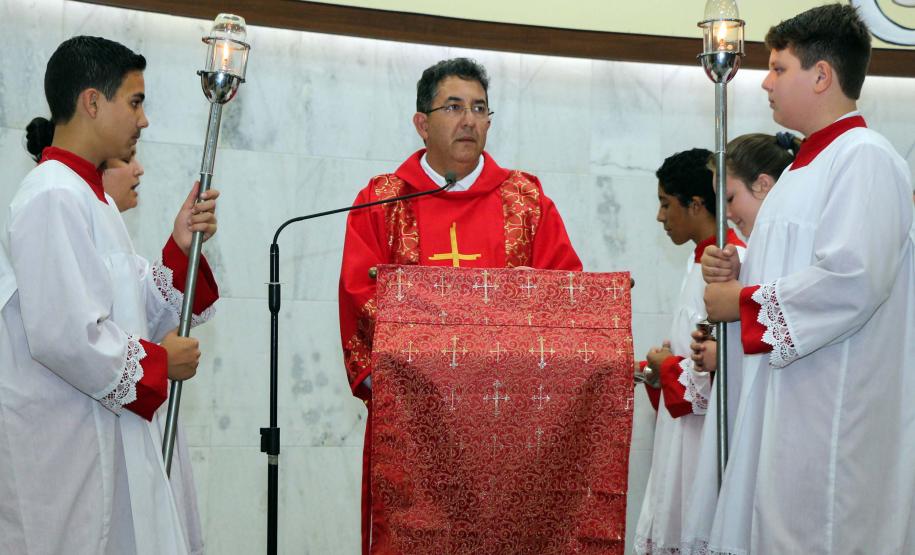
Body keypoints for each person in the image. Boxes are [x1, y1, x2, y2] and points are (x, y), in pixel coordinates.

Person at [338, 57, 582, 554]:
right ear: (422, 123)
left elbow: (564, 294)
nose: (469, 119)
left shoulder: (527, 201)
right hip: (414, 423)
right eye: (454, 107)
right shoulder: (382, 202)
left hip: (508, 426)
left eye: (479, 108)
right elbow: (360, 295)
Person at [700, 5, 915, 553]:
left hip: (831, 411)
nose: (765, 83)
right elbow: (798, 266)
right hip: (788, 398)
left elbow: (853, 280)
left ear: (822, 75)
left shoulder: (865, 158)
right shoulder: (800, 168)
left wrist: (740, 304)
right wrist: (740, 270)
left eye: (778, 68)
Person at [0, 36, 219, 555]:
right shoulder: (53, 193)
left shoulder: (89, 196)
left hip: (100, 429)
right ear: (92, 102)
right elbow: (64, 335)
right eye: (135, 102)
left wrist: (181, 243)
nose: (143, 121)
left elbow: (131, 306)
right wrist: (160, 366)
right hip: (66, 443)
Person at [678, 133, 797, 554]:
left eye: (729, 200)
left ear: (764, 185)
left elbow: (794, 328)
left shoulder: (791, 242)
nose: (725, 216)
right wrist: (716, 352)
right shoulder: (751, 247)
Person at [633, 148, 745, 555]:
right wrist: (663, 363)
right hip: (682, 437)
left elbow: (728, 367)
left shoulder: (733, 263)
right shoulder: (695, 264)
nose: (661, 217)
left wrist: (669, 366)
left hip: (705, 442)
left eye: (666, 204)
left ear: (697, 205)